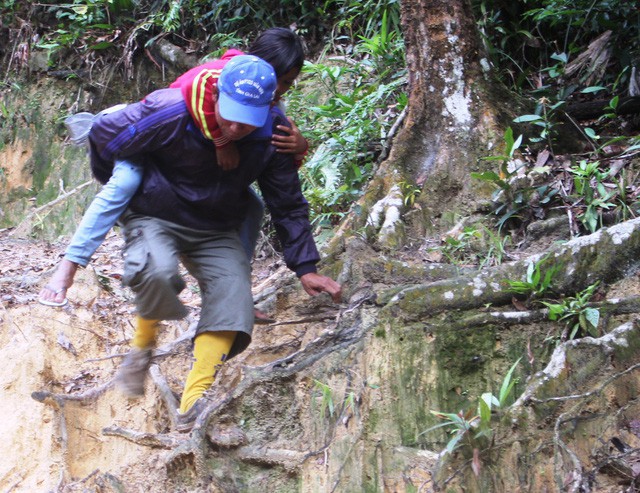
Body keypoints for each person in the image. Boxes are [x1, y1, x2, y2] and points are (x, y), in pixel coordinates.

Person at [87, 54, 342, 432]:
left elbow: (286, 202)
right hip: (158, 211)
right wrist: (130, 184)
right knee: (154, 271)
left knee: (233, 299)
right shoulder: (172, 110)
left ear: (270, 104)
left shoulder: (273, 134)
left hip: (216, 221)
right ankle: (141, 347)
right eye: (231, 115)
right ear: (217, 93)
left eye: (248, 118)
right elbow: (107, 136)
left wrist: (305, 266)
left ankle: (193, 402)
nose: (238, 127)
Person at [38, 28, 308, 313]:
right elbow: (191, 94)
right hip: (147, 143)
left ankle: (232, 292)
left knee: (251, 206)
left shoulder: (265, 98)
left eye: (288, 83)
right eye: (279, 80)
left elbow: (274, 151)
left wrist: (300, 146)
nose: (281, 90)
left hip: (185, 162)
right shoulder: (219, 77)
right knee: (125, 183)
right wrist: (221, 141)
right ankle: (67, 269)